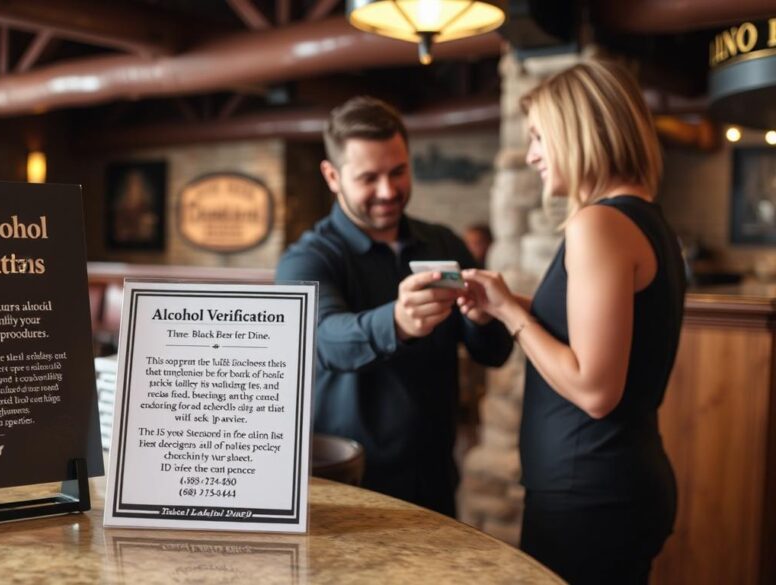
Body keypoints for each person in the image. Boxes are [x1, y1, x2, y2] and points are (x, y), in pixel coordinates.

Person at [460, 60, 684, 584]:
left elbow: (593, 388)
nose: (532, 154)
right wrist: (502, 302)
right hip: (613, 486)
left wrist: (513, 314)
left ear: (580, 132)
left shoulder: (598, 223)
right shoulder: (645, 221)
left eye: (539, 136)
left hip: (592, 497)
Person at [276, 96, 513, 515]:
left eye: (398, 172)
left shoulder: (445, 243)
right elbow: (320, 340)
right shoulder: (308, 258)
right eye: (369, 178)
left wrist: (481, 319)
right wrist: (398, 322)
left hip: (435, 476)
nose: (388, 191)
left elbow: (493, 353)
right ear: (332, 176)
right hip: (350, 486)